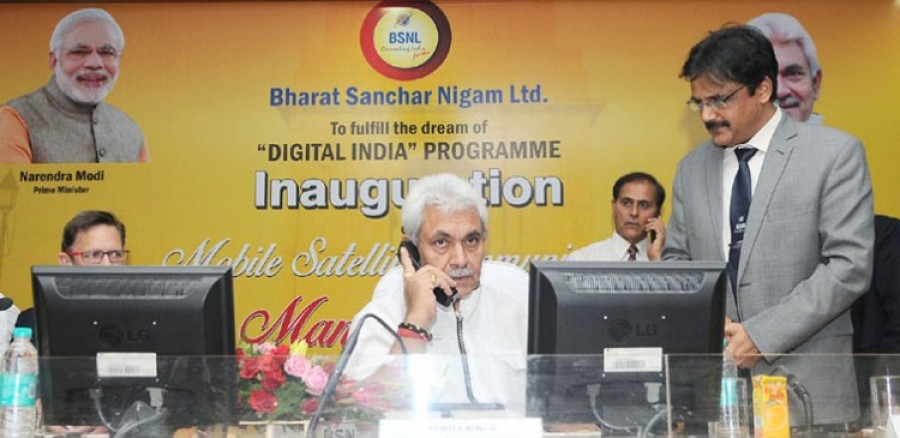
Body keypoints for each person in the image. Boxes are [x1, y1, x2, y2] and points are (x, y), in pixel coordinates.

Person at [665, 25, 873, 429]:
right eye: (698, 103)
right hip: (721, 400)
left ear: (762, 89)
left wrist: (762, 335)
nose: (707, 115)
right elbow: (678, 262)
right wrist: (709, 320)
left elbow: (849, 266)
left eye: (719, 100)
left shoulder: (834, 154)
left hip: (809, 395)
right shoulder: (691, 169)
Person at [347, 173, 528, 412]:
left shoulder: (516, 312)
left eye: (471, 240)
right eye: (441, 242)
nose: (460, 259)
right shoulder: (379, 319)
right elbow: (364, 414)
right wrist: (415, 323)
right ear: (412, 248)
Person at [16, 210, 127, 435]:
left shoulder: (146, 326)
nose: (108, 265)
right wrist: (38, 411)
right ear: (66, 262)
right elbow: (17, 394)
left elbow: (157, 406)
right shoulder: (32, 324)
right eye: (94, 255)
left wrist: (111, 426)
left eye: (116, 254)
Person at [0, 8, 148, 163]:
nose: (94, 63)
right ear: (54, 61)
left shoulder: (130, 129)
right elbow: (9, 180)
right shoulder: (14, 119)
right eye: (79, 52)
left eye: (107, 53)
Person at [567, 172, 666, 261]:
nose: (634, 212)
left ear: (658, 212)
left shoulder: (667, 261)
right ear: (613, 206)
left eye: (644, 205)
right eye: (626, 203)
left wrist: (658, 263)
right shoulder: (583, 260)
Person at [747, 12, 823, 124]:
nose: (780, 91)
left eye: (793, 74)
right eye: (762, 78)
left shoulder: (840, 137)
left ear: (816, 84)